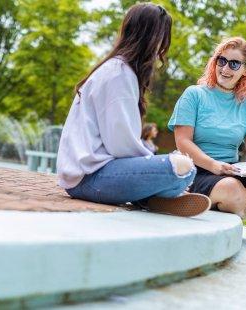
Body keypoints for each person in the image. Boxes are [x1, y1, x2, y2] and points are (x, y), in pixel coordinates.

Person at [56, 3, 210, 217]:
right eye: (162, 40)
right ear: (151, 38)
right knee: (184, 168)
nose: (161, 50)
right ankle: (154, 197)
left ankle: (152, 198)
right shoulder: (119, 74)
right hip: (90, 178)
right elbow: (121, 145)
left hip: (85, 176)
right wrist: (157, 163)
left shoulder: (116, 70)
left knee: (177, 166)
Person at [168, 37, 246, 245]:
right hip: (197, 169)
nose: (225, 68)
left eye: (234, 64)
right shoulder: (194, 95)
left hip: (231, 169)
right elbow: (183, 142)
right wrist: (214, 165)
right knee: (234, 192)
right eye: (221, 60)